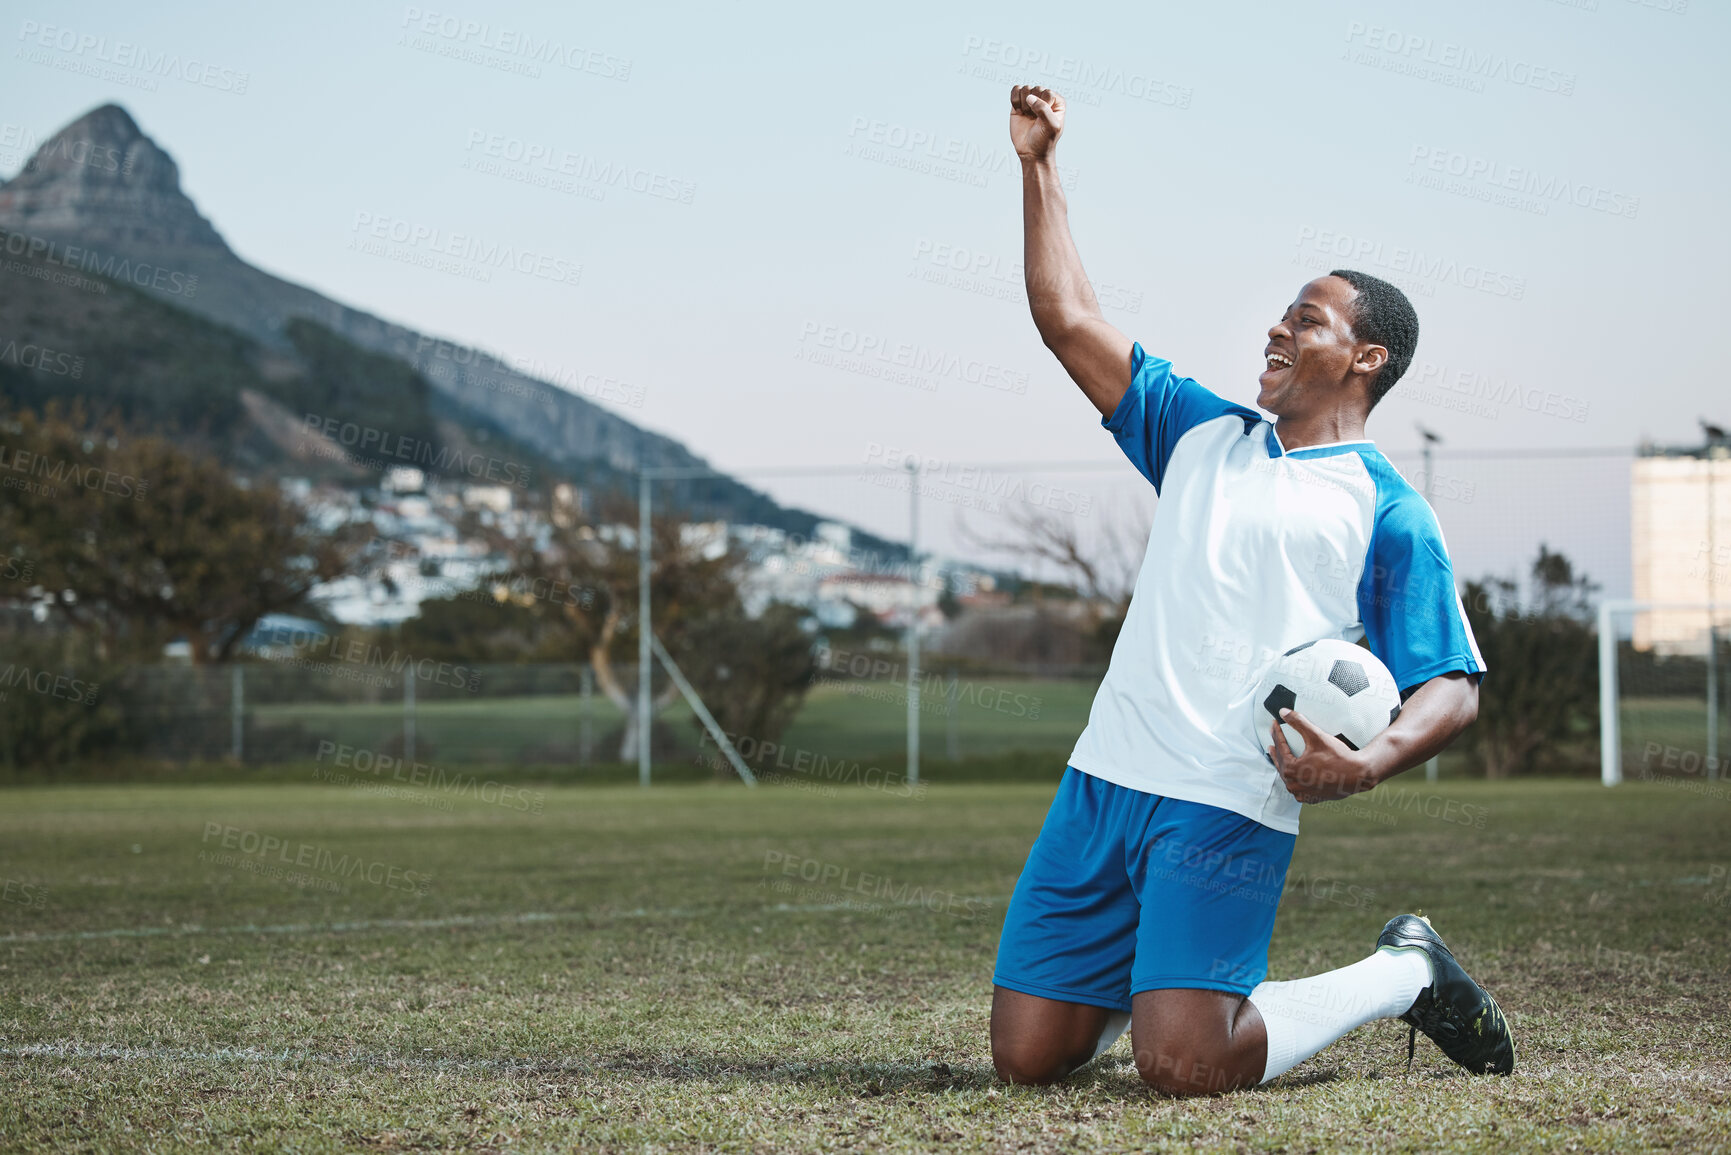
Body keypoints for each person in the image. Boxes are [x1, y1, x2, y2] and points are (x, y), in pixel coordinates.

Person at [990, 84, 1513, 1096]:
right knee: (1027, 1060)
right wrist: (1040, 165)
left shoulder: (1387, 509)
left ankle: (1402, 972)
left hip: (1228, 798)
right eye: (1278, 317)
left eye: (1304, 322)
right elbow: (1066, 317)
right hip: (1104, 780)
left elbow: (1452, 683)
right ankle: (1151, 980)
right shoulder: (1198, 433)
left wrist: (1370, 766)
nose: (1275, 332)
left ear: (1367, 358)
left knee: (1185, 1068)